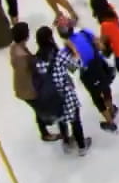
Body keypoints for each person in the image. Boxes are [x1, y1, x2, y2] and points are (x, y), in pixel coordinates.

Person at [32, 26, 89, 155]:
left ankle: (66, 142)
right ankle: (81, 146)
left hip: (52, 97)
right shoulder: (58, 55)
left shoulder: (36, 60)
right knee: (75, 120)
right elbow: (76, 66)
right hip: (66, 94)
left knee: (61, 119)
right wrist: (74, 51)